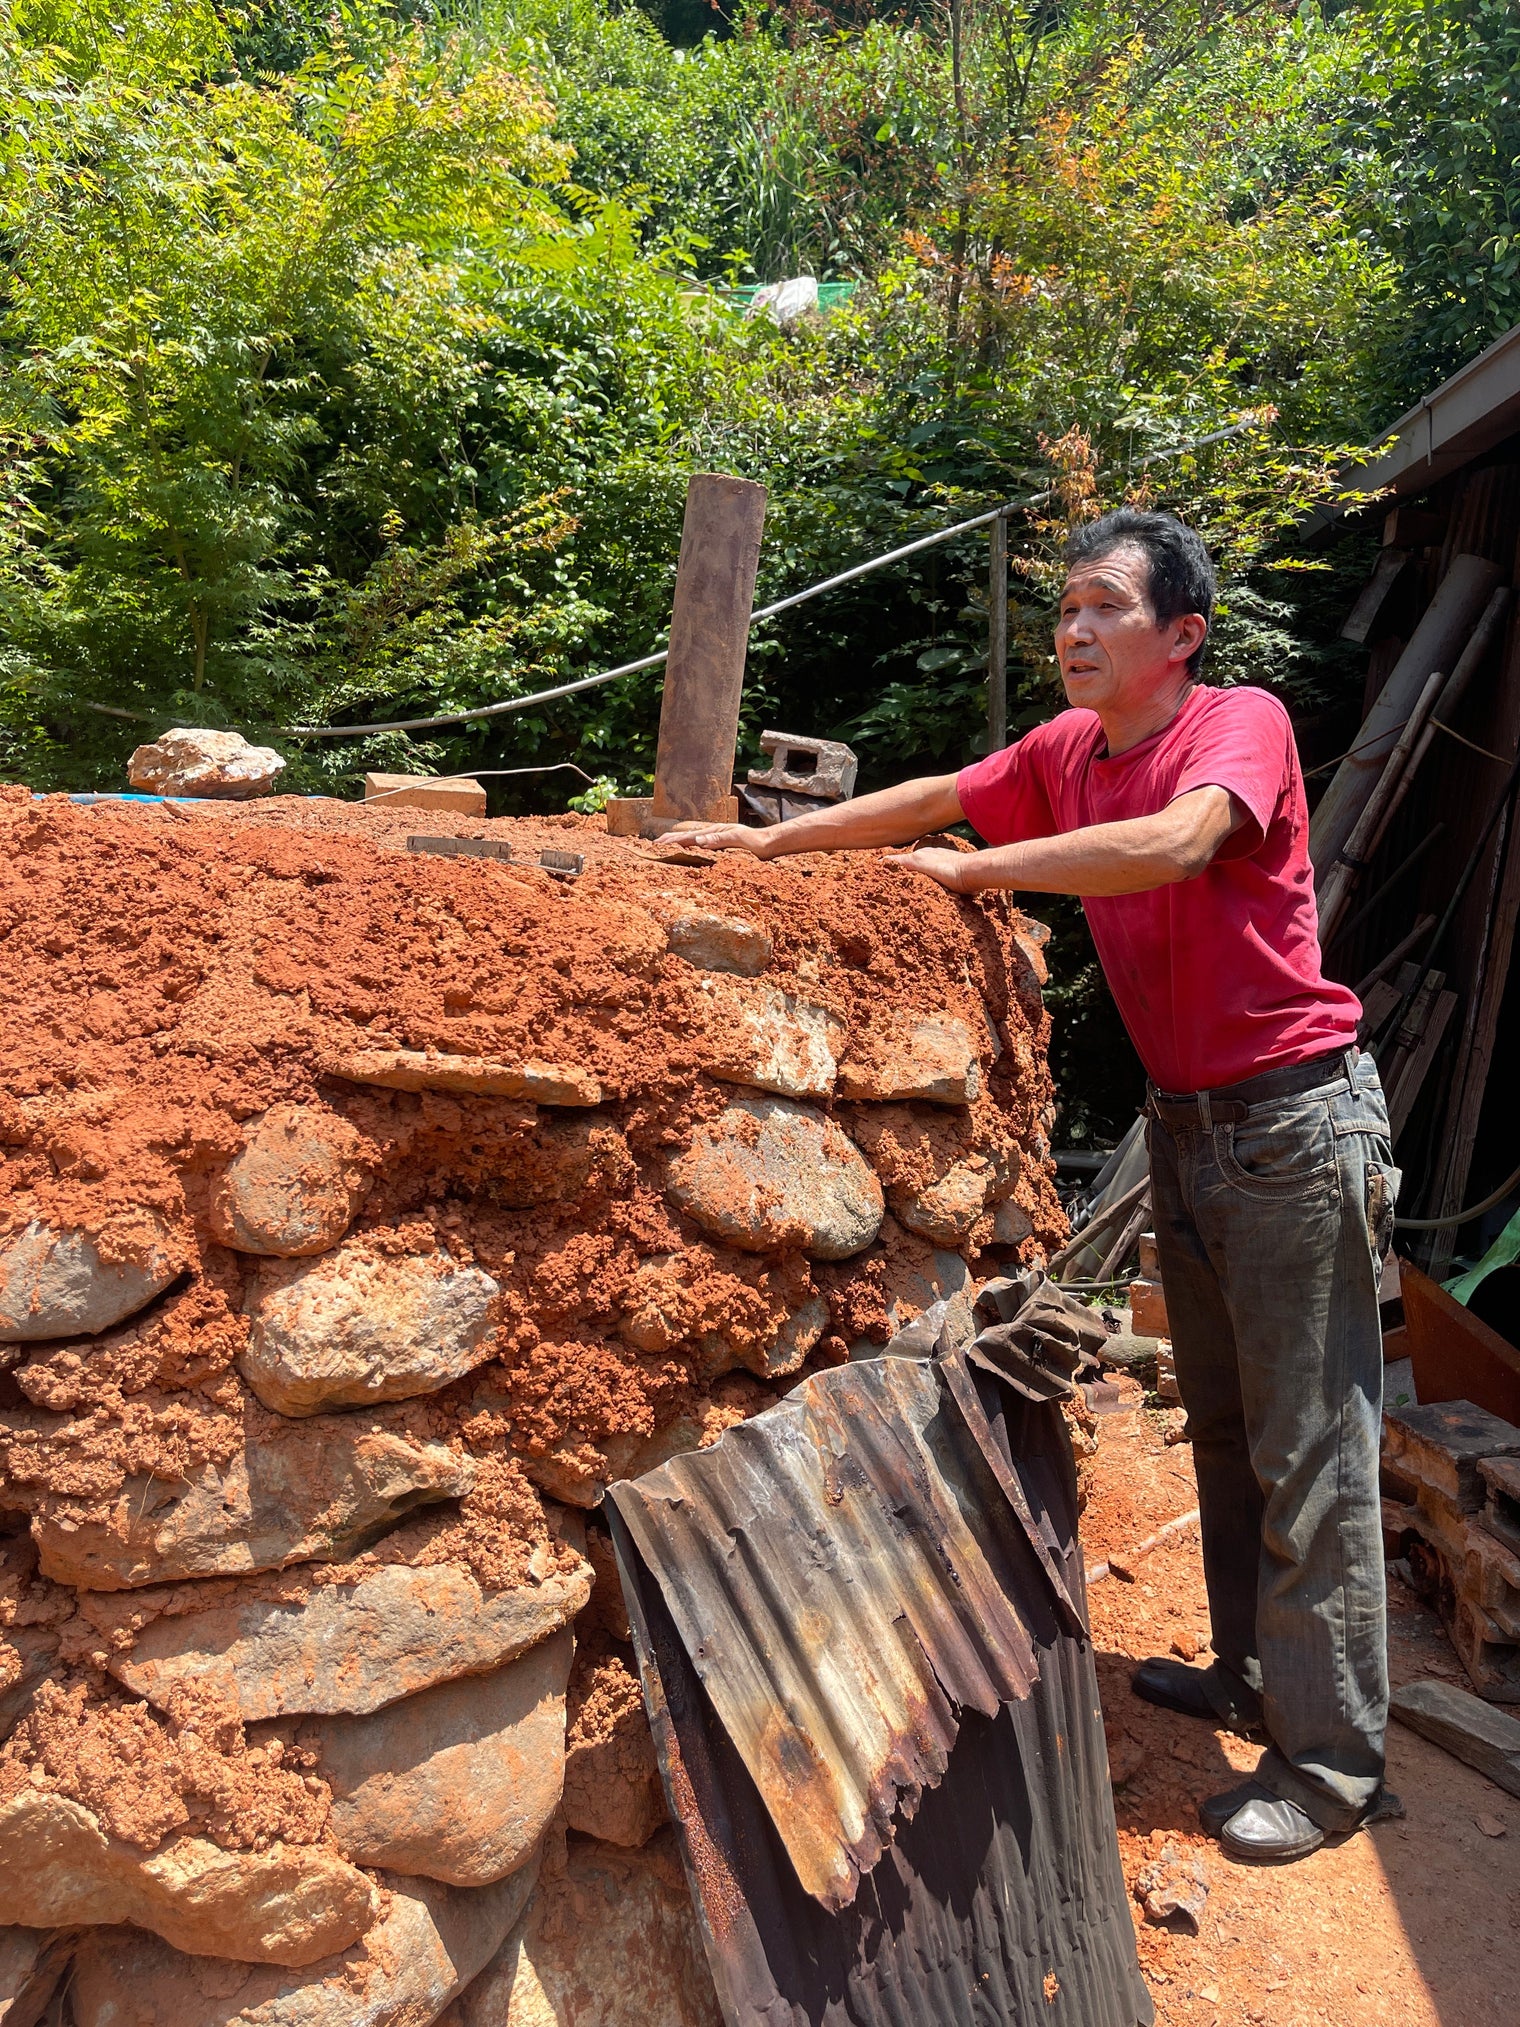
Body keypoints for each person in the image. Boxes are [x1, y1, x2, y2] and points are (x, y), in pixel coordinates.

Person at [683, 507, 1399, 1864]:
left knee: (1311, 1441)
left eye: (1105, 608)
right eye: (1067, 608)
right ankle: (1253, 1676)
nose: (1075, 631)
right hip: (1191, 1124)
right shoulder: (1071, 751)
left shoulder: (1229, 725)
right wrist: (765, 848)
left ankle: (1334, 1764)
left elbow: (1178, 845)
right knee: (1233, 1425)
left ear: (1180, 637)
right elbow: (944, 792)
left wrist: (968, 871)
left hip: (1295, 1123)